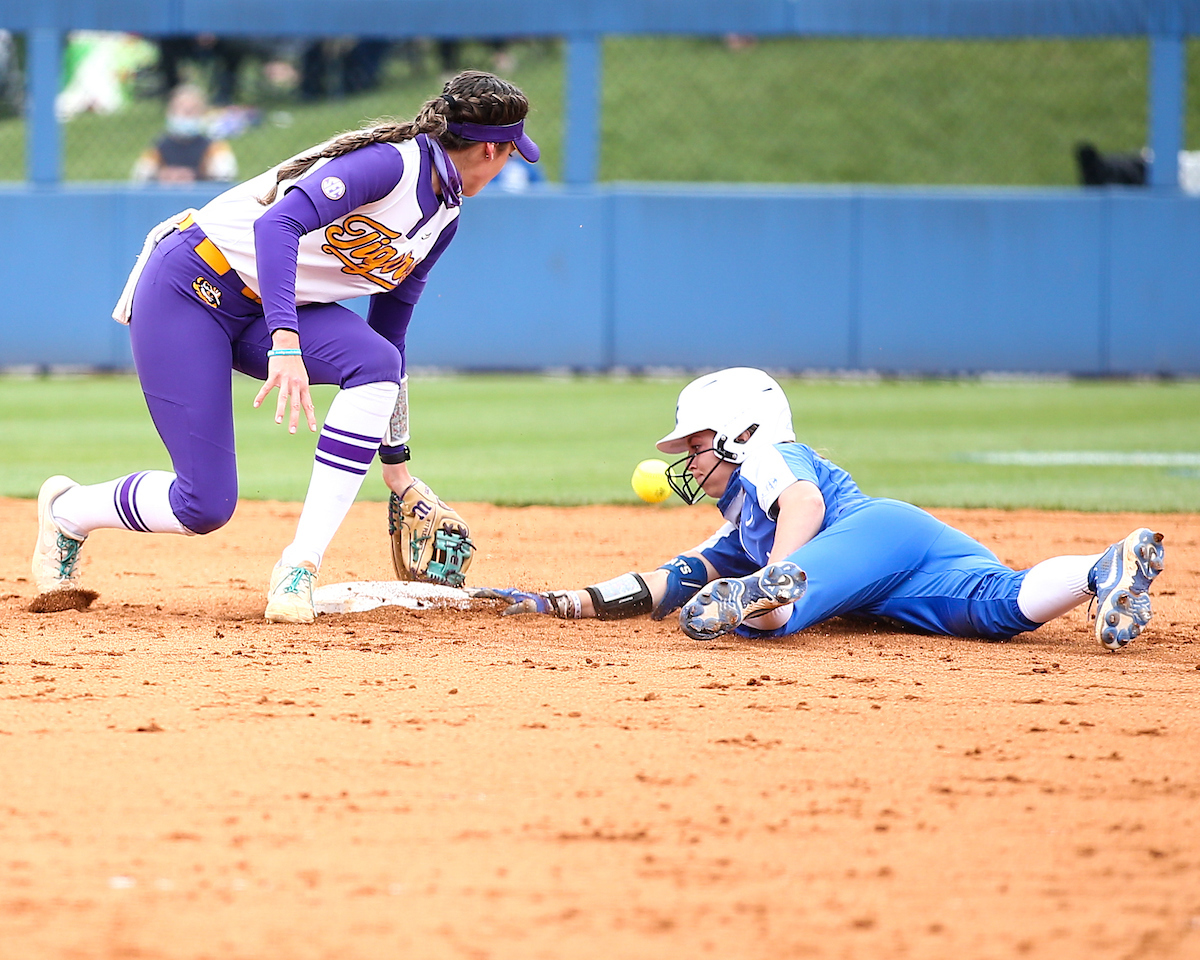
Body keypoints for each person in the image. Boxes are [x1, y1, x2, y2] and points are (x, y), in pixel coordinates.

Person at [31, 70, 539, 624]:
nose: (507, 161)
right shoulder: (391, 165)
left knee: (377, 362)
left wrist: (397, 468)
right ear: (491, 149)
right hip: (190, 286)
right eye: (512, 152)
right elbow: (277, 225)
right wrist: (286, 343)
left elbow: (390, 334)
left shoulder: (444, 217)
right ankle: (68, 512)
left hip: (268, 310)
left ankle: (300, 566)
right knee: (204, 506)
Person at [474, 368, 1166, 652]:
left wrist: (768, 576)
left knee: (770, 618)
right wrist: (563, 604)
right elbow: (672, 579)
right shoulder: (742, 524)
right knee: (999, 610)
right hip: (902, 559)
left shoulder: (771, 457)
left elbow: (803, 502)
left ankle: (767, 597)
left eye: (698, 444)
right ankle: (1103, 569)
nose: (689, 462)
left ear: (739, 434)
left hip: (876, 533)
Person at [131, 84, 238, 184]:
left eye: (191, 110)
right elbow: (140, 178)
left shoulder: (215, 147)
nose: (186, 114)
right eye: (181, 109)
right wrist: (163, 176)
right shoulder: (159, 146)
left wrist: (193, 177)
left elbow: (225, 178)